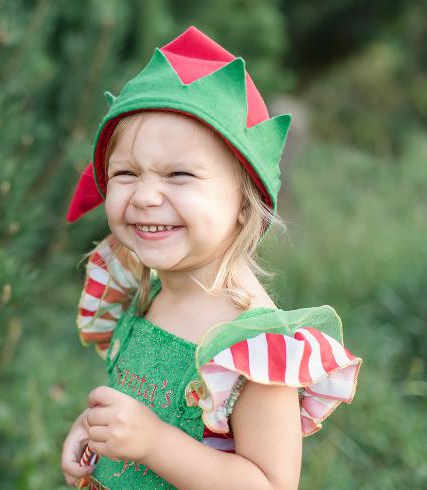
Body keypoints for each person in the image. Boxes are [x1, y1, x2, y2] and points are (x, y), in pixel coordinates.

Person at [59, 26, 363, 489]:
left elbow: (270, 485)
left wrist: (153, 444)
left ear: (244, 204)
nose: (144, 196)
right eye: (125, 173)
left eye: (178, 174)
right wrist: (95, 428)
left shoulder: (250, 345)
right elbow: (141, 406)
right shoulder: (146, 291)